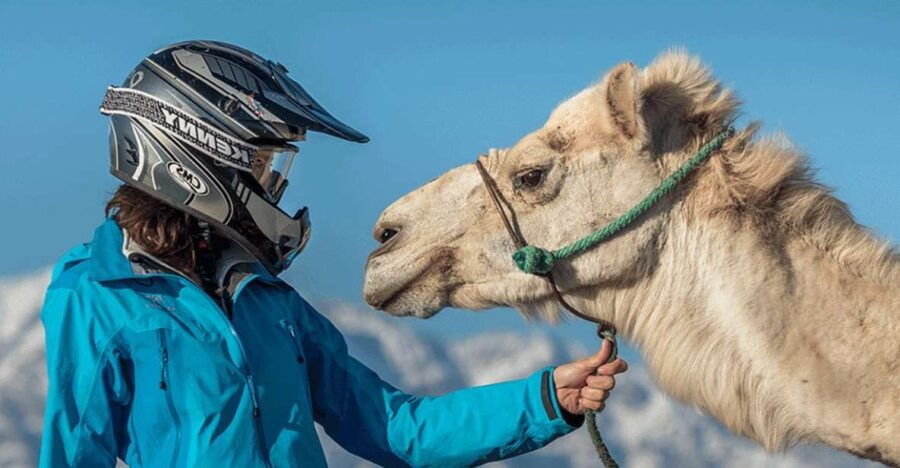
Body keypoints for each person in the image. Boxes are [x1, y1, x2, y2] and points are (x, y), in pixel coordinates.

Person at [39, 40, 628, 467]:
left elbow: (398, 430)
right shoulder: (94, 296)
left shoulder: (269, 302)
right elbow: (72, 453)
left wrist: (548, 398)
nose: (275, 187)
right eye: (264, 165)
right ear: (196, 155)